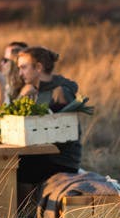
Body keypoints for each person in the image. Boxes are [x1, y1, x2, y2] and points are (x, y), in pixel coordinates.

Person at [16, 46, 82, 185]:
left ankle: (25, 207)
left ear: (38, 67)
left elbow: (67, 133)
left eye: (23, 67)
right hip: (42, 155)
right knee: (9, 164)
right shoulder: (34, 91)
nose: (20, 73)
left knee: (15, 170)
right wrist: (22, 95)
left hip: (61, 161)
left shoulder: (60, 92)